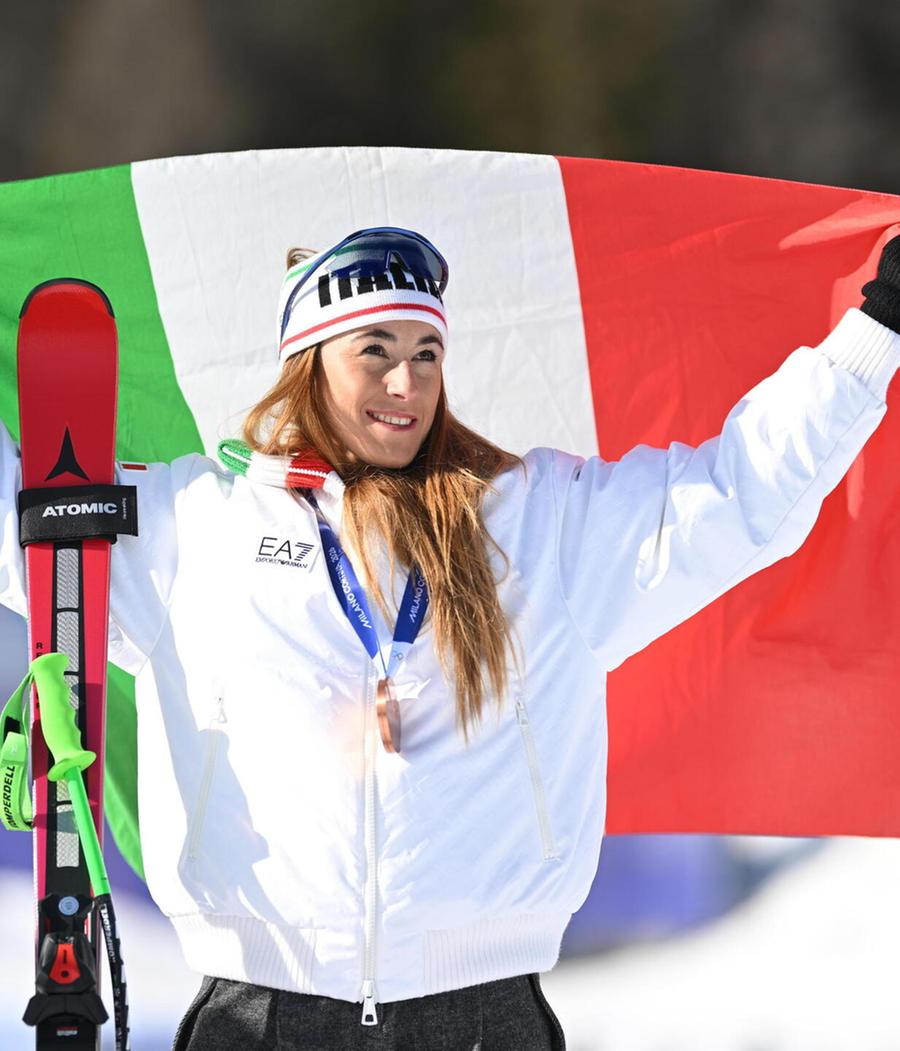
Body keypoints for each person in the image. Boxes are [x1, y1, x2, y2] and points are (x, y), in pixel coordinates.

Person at [3, 227, 900, 1050]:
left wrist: (879, 327)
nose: (408, 384)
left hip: (482, 1015)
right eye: (375, 351)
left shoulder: (537, 526)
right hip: (259, 1011)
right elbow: (23, 536)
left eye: (426, 353)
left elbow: (735, 495)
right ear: (309, 362)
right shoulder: (198, 522)